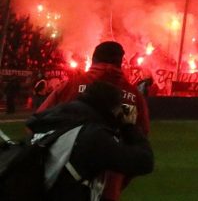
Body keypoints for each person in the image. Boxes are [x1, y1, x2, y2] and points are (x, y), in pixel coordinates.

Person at [38, 41, 151, 201]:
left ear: (93, 60)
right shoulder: (133, 95)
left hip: (66, 177)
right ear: (120, 62)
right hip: (110, 183)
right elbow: (141, 136)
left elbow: (38, 122)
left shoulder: (71, 85)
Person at [25, 81, 154, 201]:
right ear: (110, 109)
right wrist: (128, 126)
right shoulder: (92, 136)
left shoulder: (56, 115)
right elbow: (144, 162)